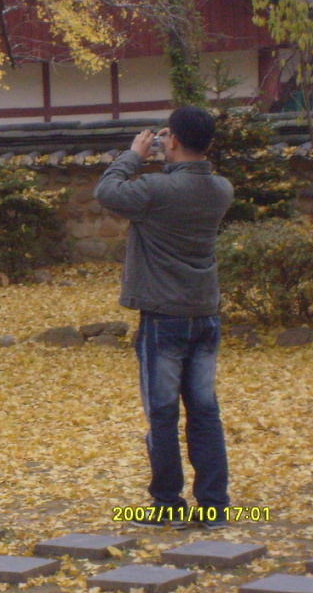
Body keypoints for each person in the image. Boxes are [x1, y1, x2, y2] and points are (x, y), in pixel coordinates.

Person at [94, 106, 234, 529]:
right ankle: (213, 506)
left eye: (165, 136)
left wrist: (134, 154)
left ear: (171, 140)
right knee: (205, 412)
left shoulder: (154, 189)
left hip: (162, 317)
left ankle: (167, 504)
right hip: (204, 313)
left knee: (162, 413)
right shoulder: (221, 189)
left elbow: (108, 191)